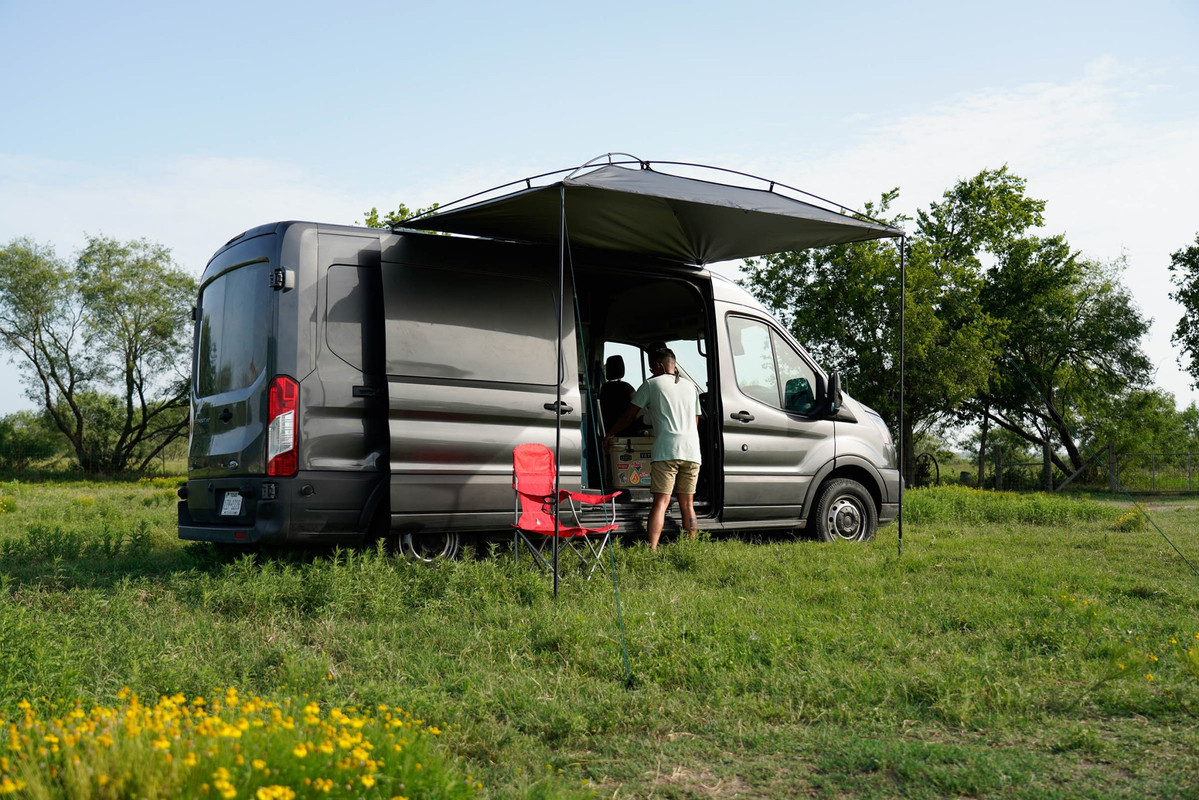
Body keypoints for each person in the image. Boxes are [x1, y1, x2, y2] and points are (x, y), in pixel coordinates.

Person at [603, 347, 702, 549]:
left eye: (651, 367)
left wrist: (610, 434)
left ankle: (653, 549)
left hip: (667, 450)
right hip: (692, 451)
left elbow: (628, 417)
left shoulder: (651, 384)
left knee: (661, 502)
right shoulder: (691, 387)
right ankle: (691, 548)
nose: (650, 371)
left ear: (657, 366)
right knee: (688, 504)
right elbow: (695, 421)